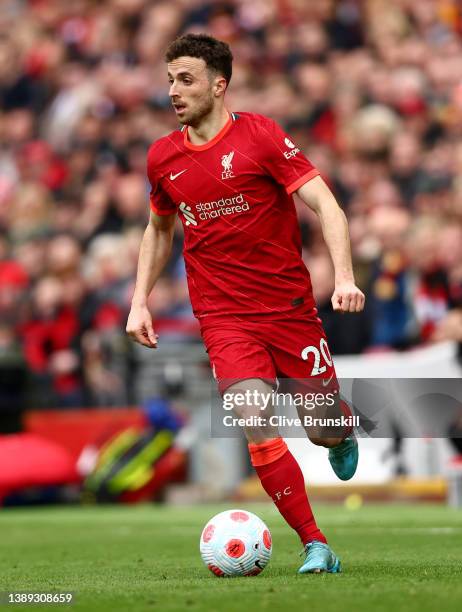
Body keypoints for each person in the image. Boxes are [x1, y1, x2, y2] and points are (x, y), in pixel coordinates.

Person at [126, 34, 365, 574]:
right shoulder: (163, 157)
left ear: (219, 84)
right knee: (254, 416)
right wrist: (139, 300)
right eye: (169, 80)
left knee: (321, 427)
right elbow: (158, 230)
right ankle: (316, 544)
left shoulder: (261, 137)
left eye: (185, 79)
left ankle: (340, 432)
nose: (173, 91)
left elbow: (325, 203)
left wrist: (344, 276)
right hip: (223, 317)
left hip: (288, 310)